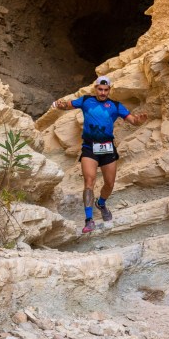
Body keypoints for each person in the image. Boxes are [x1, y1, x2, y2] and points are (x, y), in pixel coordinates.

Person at [52, 76, 148, 234]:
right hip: (89, 147)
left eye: (106, 90)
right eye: (100, 89)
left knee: (109, 184)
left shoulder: (115, 106)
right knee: (89, 182)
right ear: (95, 88)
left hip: (108, 148)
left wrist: (138, 120)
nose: (102, 92)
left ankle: (101, 203)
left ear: (109, 90)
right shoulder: (85, 101)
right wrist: (59, 104)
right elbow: (67, 105)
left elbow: (132, 120)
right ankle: (89, 219)